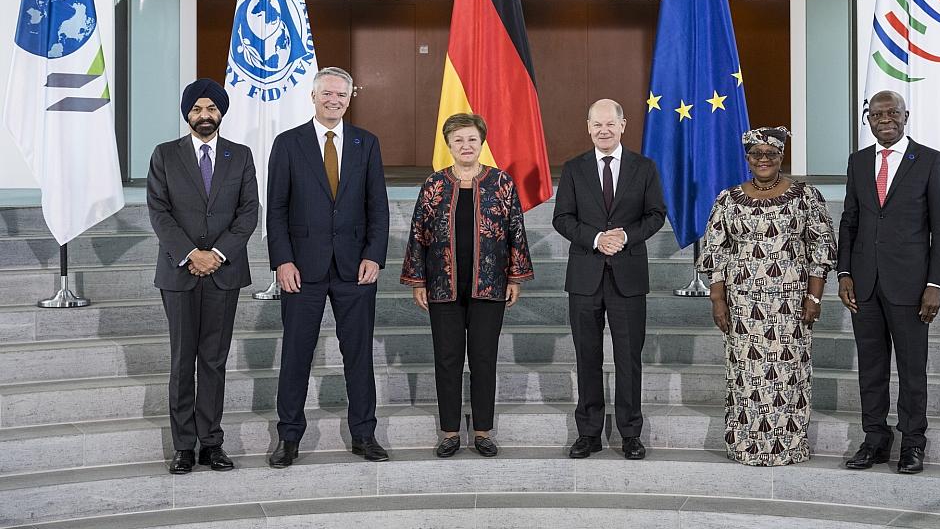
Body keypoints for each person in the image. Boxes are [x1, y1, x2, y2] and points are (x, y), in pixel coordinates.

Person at [265, 67, 390, 467]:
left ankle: (364, 434)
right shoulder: (288, 144)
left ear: (350, 99)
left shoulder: (366, 143)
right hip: (302, 268)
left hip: (356, 269)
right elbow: (277, 210)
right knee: (296, 356)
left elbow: (378, 208)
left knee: (358, 355)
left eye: (342, 95)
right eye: (328, 94)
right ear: (313, 96)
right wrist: (282, 261)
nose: (334, 100)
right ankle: (288, 438)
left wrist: (374, 254)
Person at [697, 126, 836, 467]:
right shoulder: (728, 199)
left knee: (790, 375)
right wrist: (718, 300)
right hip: (742, 306)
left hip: (791, 306)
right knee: (745, 377)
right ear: (747, 159)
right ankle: (744, 446)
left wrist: (814, 298)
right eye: (756, 154)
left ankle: (788, 446)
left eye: (770, 154)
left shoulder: (805, 196)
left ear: (781, 156)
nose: (763, 159)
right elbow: (716, 250)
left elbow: (821, 246)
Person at [401, 113, 534, 458]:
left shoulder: (501, 183)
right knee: (447, 359)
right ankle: (449, 433)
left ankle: (482, 432)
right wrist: (418, 280)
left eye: (471, 139)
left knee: (483, 358)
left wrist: (516, 276)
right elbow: (418, 233)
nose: (465, 145)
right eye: (458, 140)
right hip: (442, 284)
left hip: (489, 284)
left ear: (481, 142)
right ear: (449, 144)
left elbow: (516, 230)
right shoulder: (433, 184)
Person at [147, 78, 260, 475]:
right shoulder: (164, 155)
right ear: (187, 114)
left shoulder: (241, 156)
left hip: (224, 273)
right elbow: (159, 212)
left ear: (221, 113)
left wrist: (217, 253)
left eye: (211, 109)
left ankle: (211, 442)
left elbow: (249, 213)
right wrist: (191, 253)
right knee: (183, 361)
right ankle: (183, 446)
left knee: (213, 360)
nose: (204, 115)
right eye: (197, 109)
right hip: (178, 273)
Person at [838, 90, 940, 475]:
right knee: (870, 367)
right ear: (867, 119)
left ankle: (913, 442)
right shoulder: (858, 162)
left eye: (893, 112)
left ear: (907, 115)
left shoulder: (931, 161)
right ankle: (875, 438)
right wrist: (844, 272)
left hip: (911, 286)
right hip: (864, 283)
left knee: (911, 368)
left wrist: (935, 283)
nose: (885, 119)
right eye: (877, 113)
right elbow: (849, 220)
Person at [552, 99, 666, 460]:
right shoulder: (573, 169)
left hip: (628, 278)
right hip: (585, 277)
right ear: (588, 127)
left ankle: (630, 434)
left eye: (609, 124)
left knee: (628, 358)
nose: (603, 130)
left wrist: (625, 237)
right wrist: (598, 239)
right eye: (596, 124)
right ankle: (589, 434)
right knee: (587, 357)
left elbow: (655, 214)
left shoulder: (644, 167)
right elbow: (563, 218)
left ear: (622, 125)